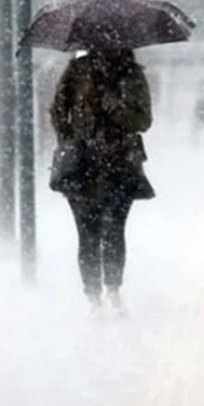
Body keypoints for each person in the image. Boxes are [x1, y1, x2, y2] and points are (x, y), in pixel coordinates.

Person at [49, 48, 155, 313]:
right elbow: (58, 110)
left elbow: (143, 120)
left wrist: (115, 107)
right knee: (87, 232)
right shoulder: (77, 71)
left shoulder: (132, 74)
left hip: (120, 163)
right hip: (82, 165)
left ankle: (113, 289)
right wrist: (70, 140)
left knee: (114, 230)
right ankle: (93, 295)